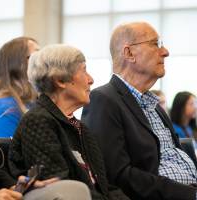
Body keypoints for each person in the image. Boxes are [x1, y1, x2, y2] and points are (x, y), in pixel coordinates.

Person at [82, 22, 197, 200]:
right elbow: (117, 175)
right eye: (155, 44)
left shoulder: (154, 104)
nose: (165, 52)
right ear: (129, 53)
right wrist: (190, 194)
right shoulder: (103, 100)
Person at [8, 44, 130, 200]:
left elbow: (103, 187)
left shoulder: (80, 128)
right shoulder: (38, 121)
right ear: (60, 80)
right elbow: (61, 190)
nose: (91, 80)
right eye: (84, 70)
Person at [0, 37, 39, 138]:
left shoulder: (32, 101)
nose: (43, 62)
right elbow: (5, 152)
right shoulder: (5, 108)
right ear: (18, 63)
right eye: (36, 56)